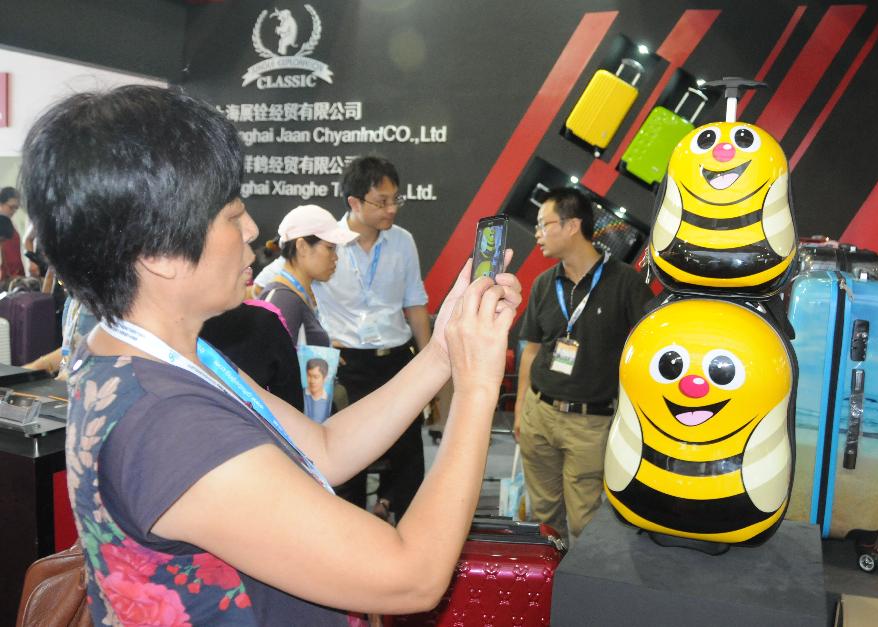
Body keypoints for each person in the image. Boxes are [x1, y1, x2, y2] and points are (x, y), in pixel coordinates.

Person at [22, 85, 520, 624]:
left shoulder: (161, 354)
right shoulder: (169, 424)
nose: (253, 231)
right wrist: (476, 388)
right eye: (232, 216)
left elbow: (324, 448)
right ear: (159, 252)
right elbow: (412, 576)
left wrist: (443, 353)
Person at [514, 186, 653, 543]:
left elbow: (647, 354)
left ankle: (581, 592)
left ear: (573, 225)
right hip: (539, 413)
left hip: (591, 423)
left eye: (545, 225)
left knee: (585, 523)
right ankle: (548, 589)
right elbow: (531, 349)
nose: (538, 234)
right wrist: (519, 411)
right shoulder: (545, 284)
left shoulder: (626, 284)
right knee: (543, 521)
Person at [314, 155, 434, 522]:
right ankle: (349, 536)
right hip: (346, 366)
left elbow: (415, 305)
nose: (391, 209)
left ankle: (397, 523)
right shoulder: (324, 242)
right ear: (353, 202)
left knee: (408, 454)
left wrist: (429, 368)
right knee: (348, 457)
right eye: (381, 201)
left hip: (395, 360)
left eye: (396, 199)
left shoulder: (403, 242)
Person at [258, 204, 357, 346]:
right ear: (302, 247)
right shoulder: (283, 300)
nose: (336, 257)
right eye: (330, 248)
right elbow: (269, 363)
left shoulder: (296, 295)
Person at [0, 187, 25, 280]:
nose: (14, 211)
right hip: (4, 277)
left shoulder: (11, 225)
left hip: (17, 275)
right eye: (11, 207)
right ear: (1, 203)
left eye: (16, 208)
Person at [303, 357, 331, 422]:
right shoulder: (299, 393)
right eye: (309, 376)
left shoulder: (330, 400)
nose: (312, 381)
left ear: (325, 378)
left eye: (316, 377)